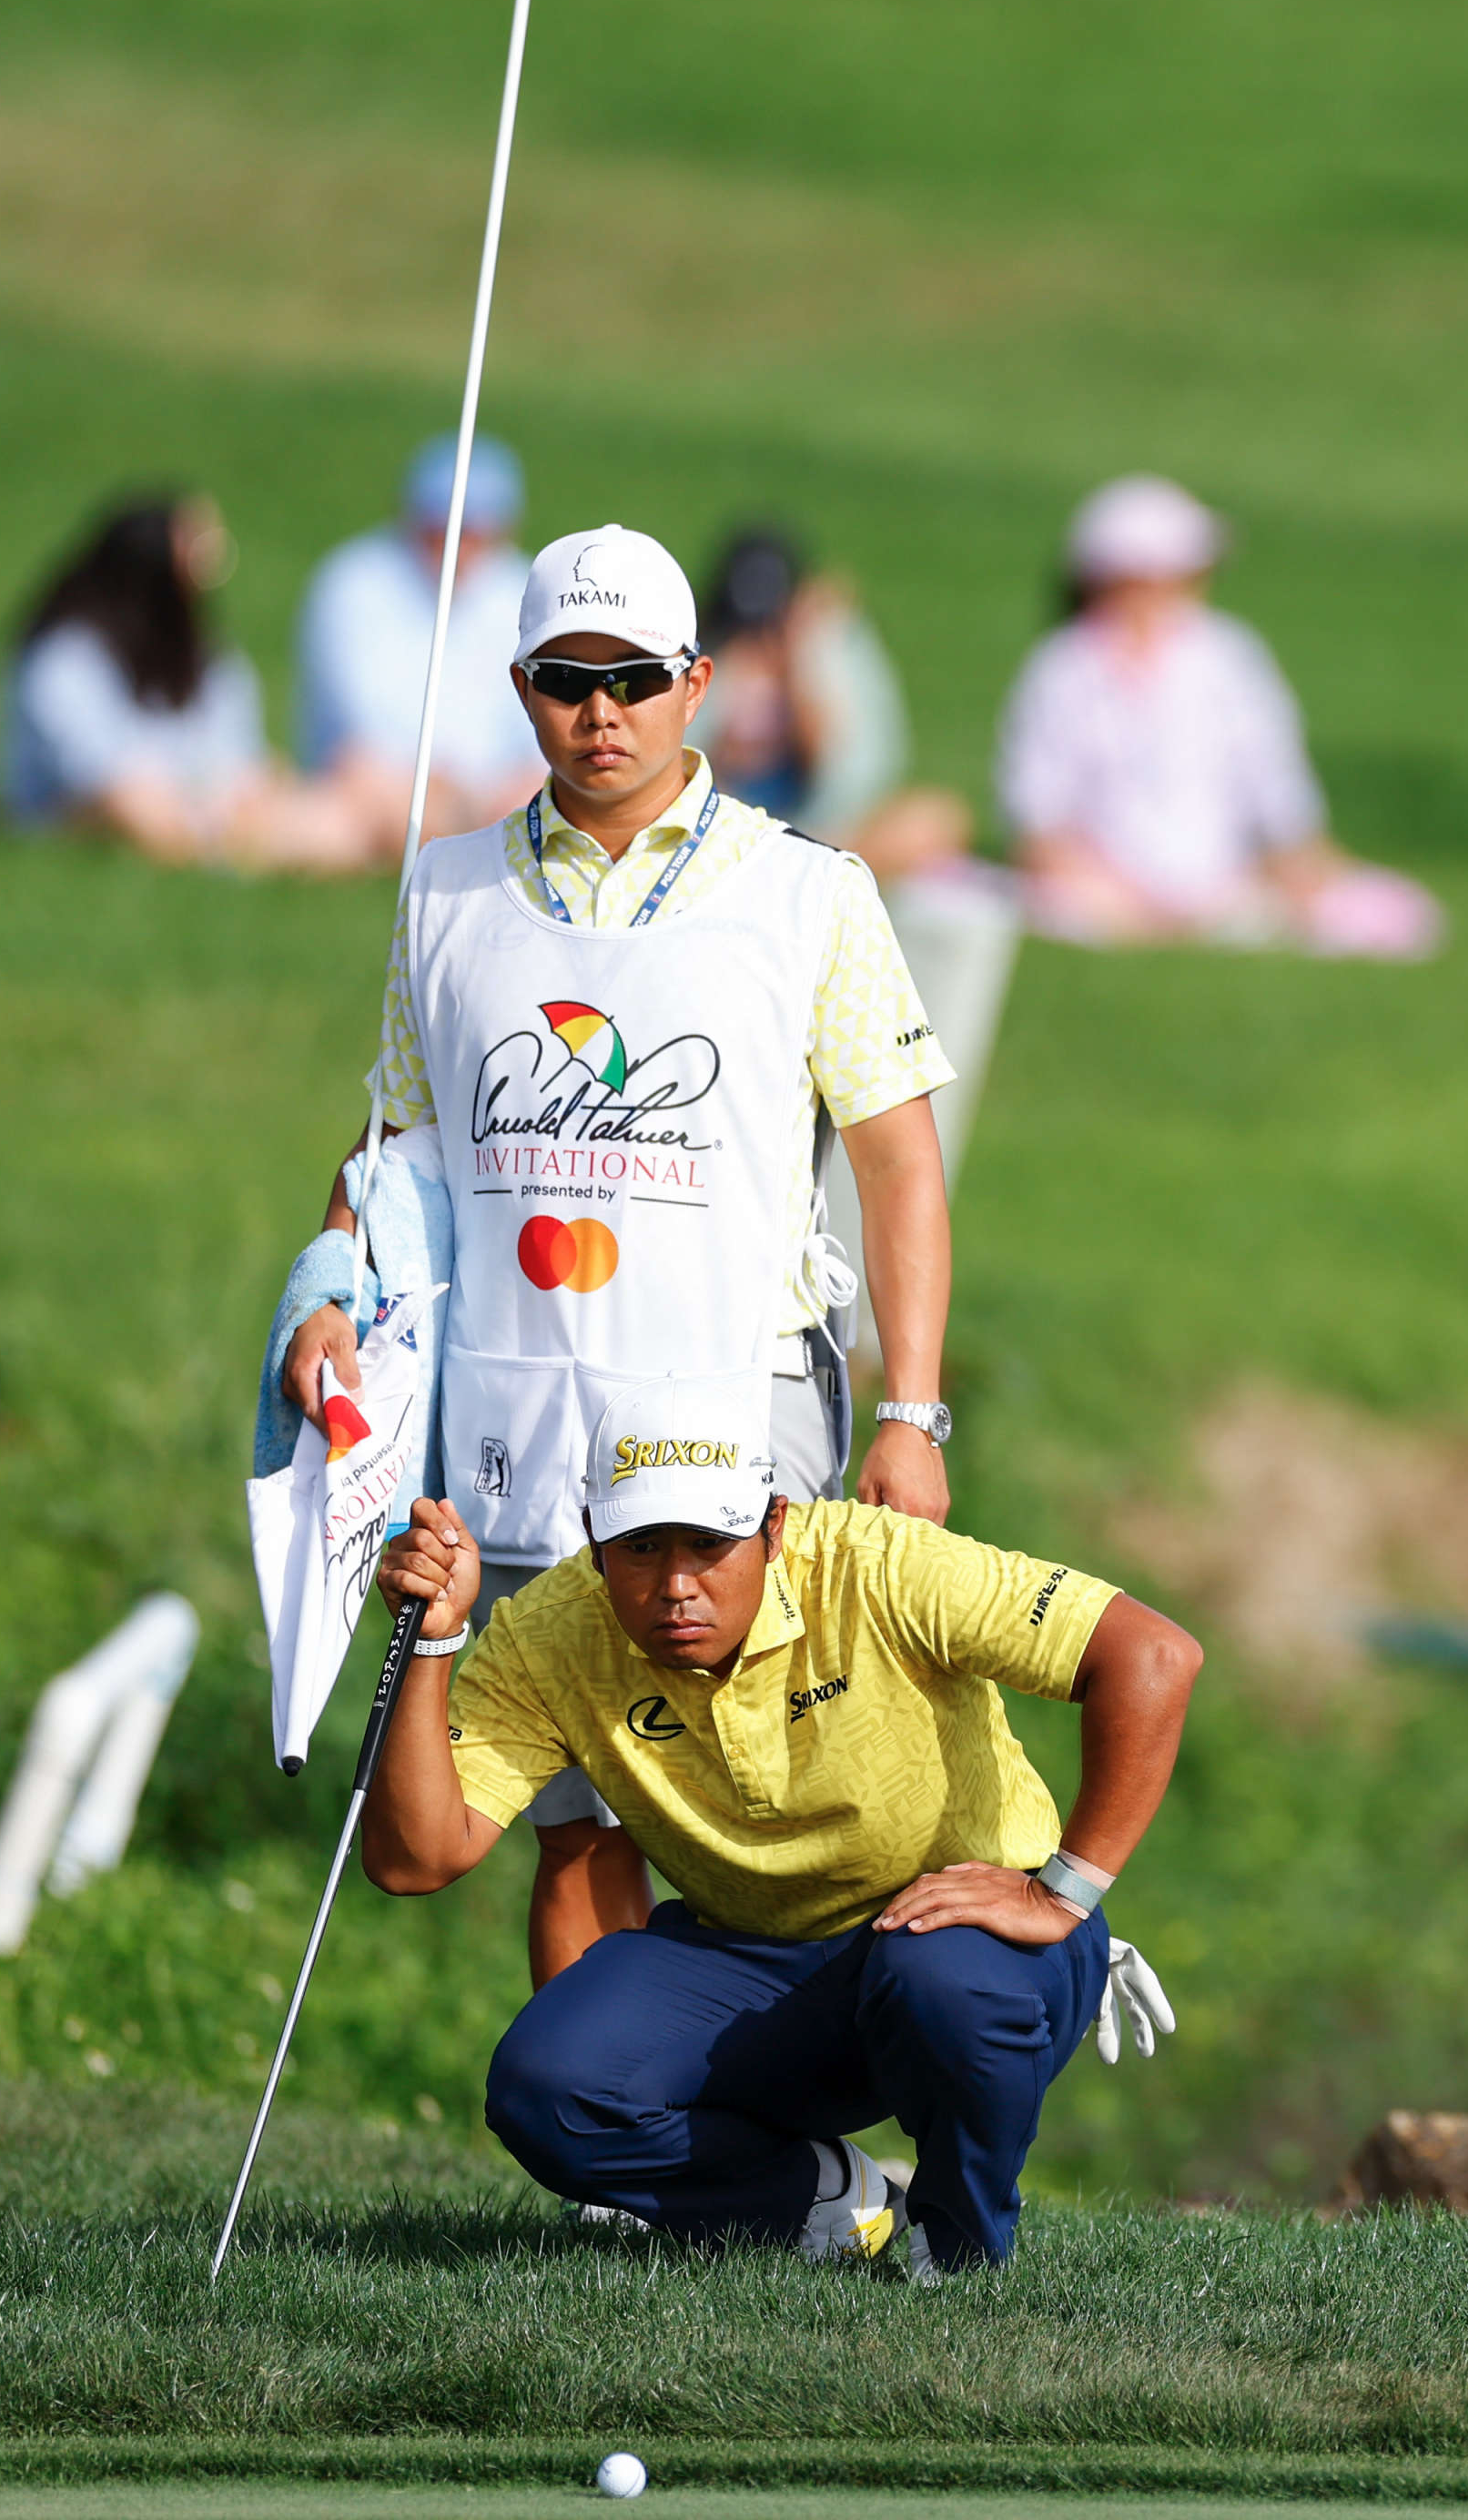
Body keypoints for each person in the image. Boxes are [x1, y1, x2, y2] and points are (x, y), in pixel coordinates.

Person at [278, 522, 958, 1987]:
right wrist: (326, 1287)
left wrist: (911, 1412)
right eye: (568, 680)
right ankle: (629, 2189)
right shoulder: (442, 889)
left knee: (751, 1795)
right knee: (581, 1824)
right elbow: (397, 1150)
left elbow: (900, 1157)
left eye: (637, 678)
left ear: (700, 682)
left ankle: (785, 2131)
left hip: (738, 1389)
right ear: (520, 686)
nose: (604, 712)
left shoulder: (809, 888)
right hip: (521, 1402)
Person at [367, 1371, 1201, 2277]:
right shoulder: (550, 1632)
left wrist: (1065, 1890)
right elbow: (415, 1858)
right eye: (642, 1547)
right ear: (592, 1538)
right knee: (549, 2089)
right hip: (752, 1959)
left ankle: (956, 2255)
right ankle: (819, 2200)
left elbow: (1153, 1656)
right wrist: (434, 1645)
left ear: (773, 1524)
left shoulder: (879, 1563)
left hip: (962, 1939)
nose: (676, 1584)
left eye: (708, 1543)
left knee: (951, 1988)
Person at [997, 476, 1443, 956]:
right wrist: (1115, 893)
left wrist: (1299, 865)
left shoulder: (1229, 655)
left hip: (1225, 884)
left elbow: (1275, 787)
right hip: (1096, 887)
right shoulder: (1062, 667)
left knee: (1394, 912)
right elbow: (1038, 818)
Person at [1, 494, 367, 873]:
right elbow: (107, 787)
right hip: (88, 819)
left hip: (208, 814)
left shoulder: (203, 654)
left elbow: (241, 759)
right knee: (139, 807)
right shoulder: (66, 658)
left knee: (329, 814)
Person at [294, 433, 543, 858]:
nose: (457, 550)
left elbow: (535, 725)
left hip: (495, 788)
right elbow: (356, 725)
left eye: (475, 535)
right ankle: (466, 840)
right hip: (384, 783)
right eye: (441, 533)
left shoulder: (526, 587)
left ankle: (449, 837)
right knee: (345, 797)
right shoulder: (353, 583)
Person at [694, 525, 970, 880]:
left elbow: (842, 771)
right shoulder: (709, 658)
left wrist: (799, 663)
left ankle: (802, 866)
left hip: (828, 826)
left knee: (937, 819)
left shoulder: (829, 648)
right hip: (737, 826)